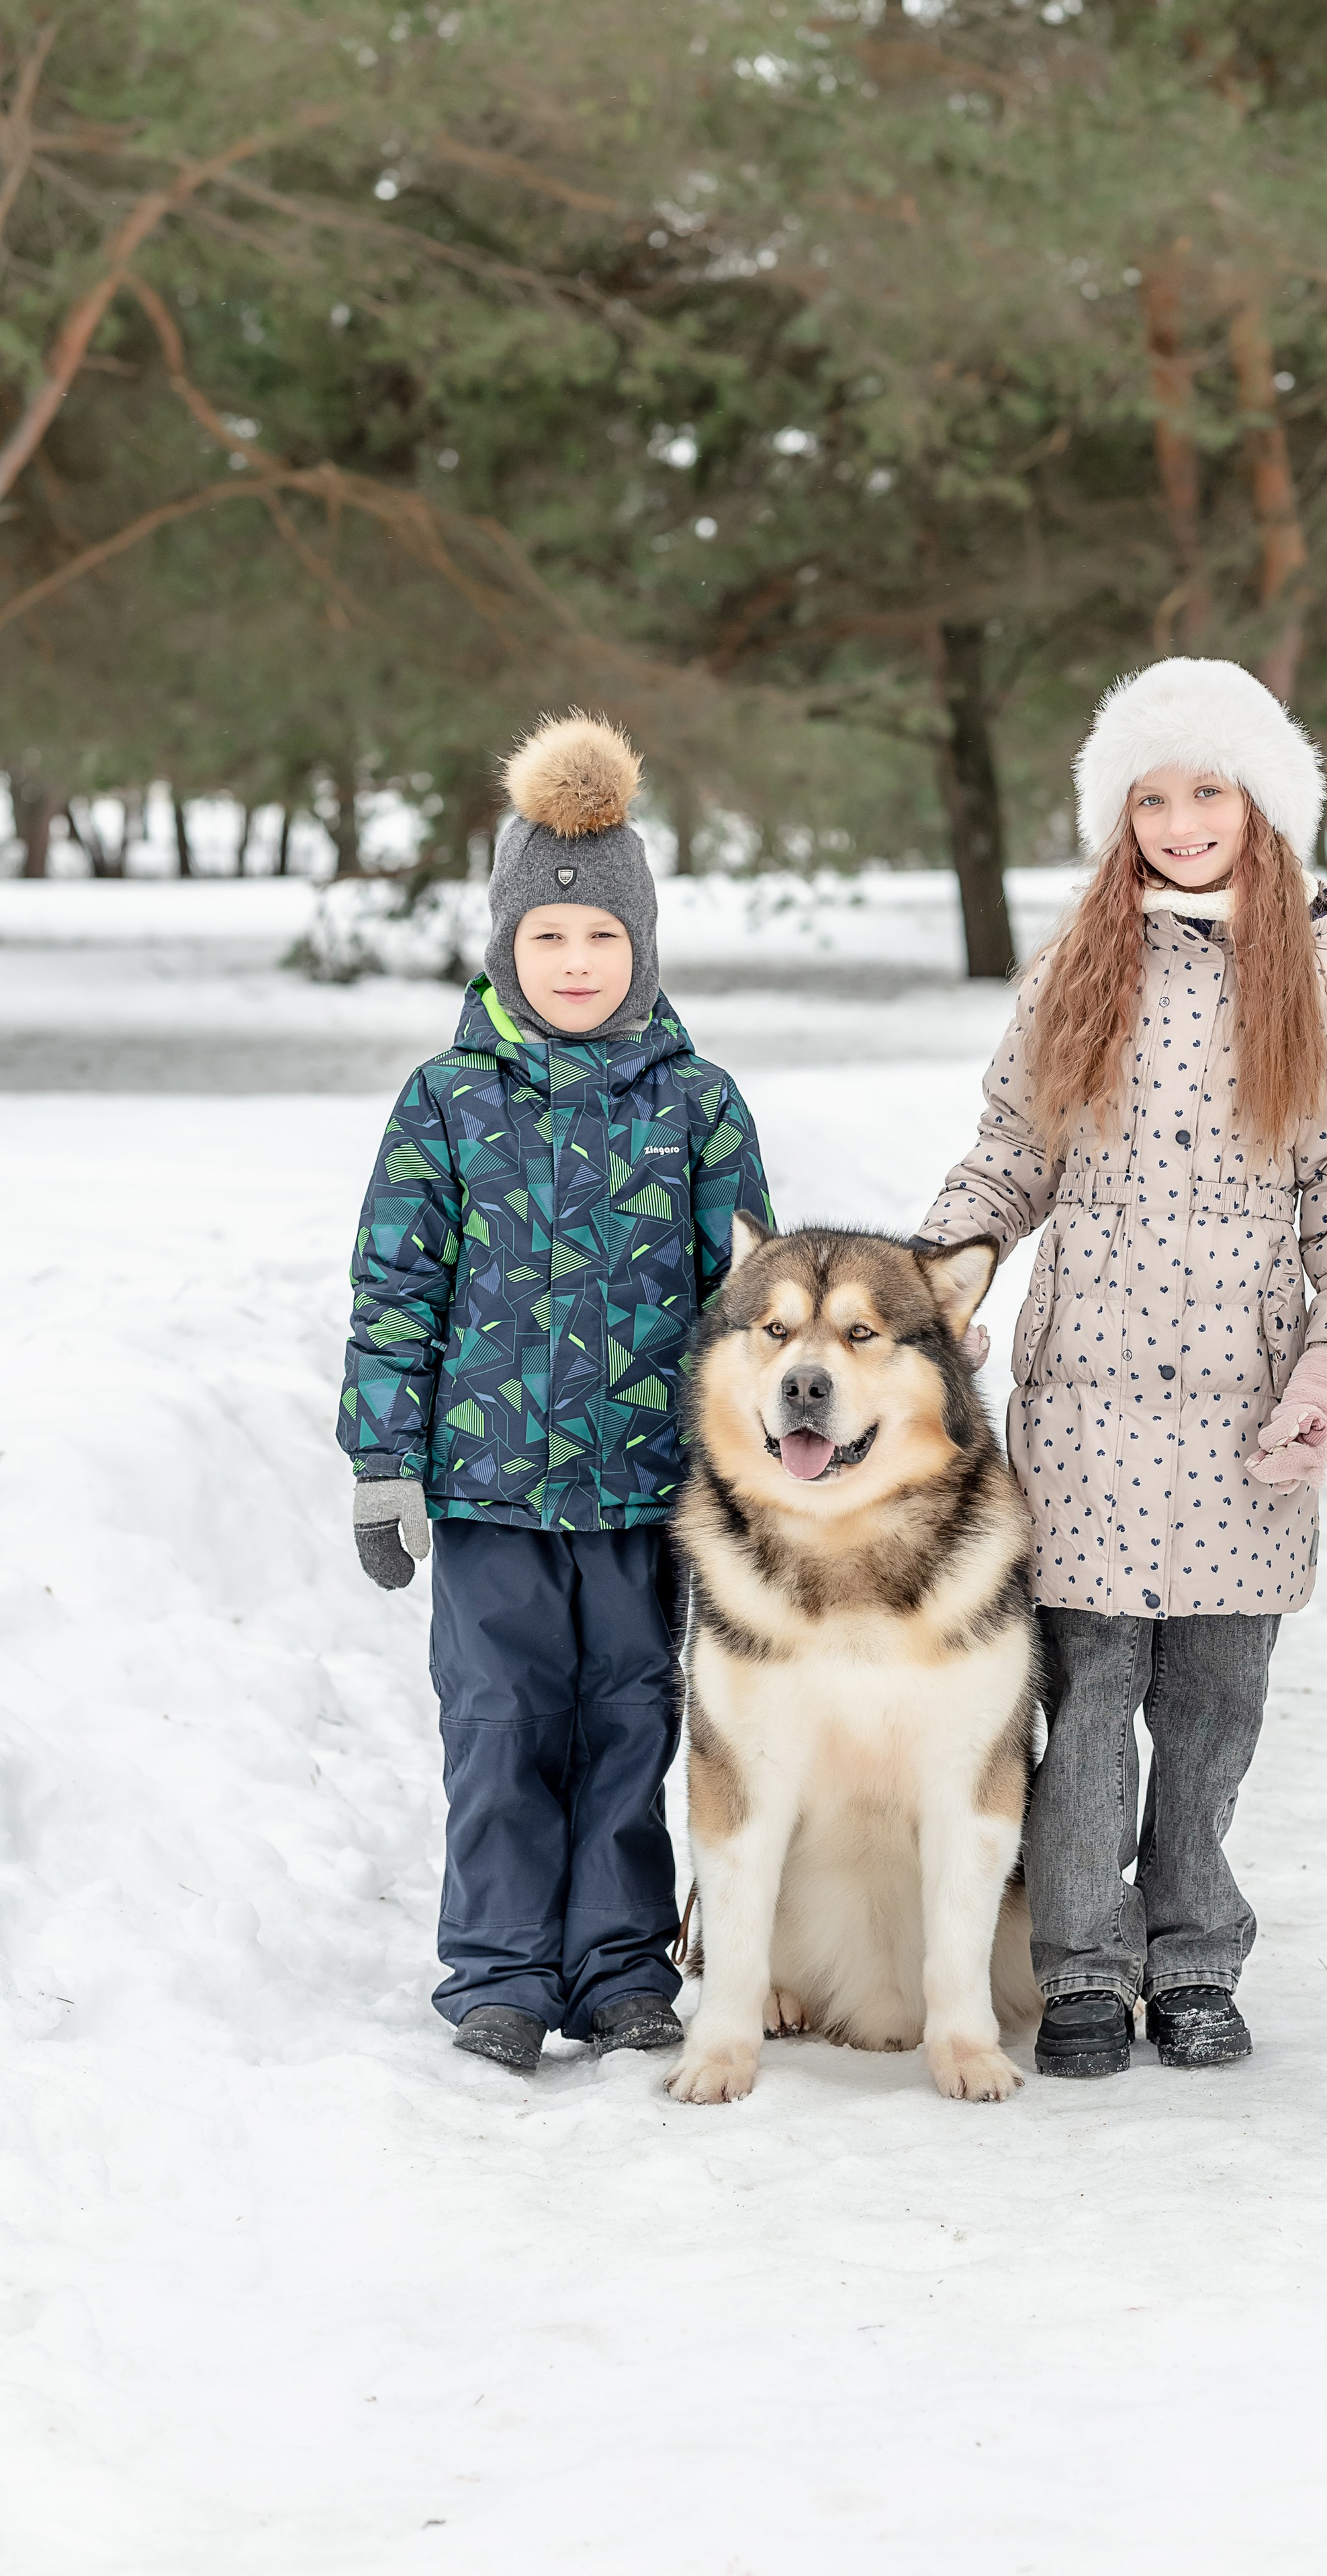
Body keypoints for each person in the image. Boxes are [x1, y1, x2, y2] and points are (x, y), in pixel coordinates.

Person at [915, 658, 1327, 2080]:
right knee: (1082, 1713)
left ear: (1263, 804)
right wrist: (946, 1271)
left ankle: (1192, 1953)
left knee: (1208, 1712)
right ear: (1115, 814)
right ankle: (1080, 1966)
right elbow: (1010, 1147)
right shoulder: (1076, 972)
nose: (1181, 819)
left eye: (1208, 790)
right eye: (1152, 795)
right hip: (1082, 1414)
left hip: (1243, 1424)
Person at [338, 711, 772, 2075]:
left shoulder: (698, 1104)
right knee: (500, 1725)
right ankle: (502, 1972)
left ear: (641, 949)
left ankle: (620, 1964)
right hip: (488, 1493)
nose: (575, 962)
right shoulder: (448, 1102)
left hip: (646, 1490)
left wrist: (760, 1478)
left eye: (601, 941)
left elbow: (748, 1306)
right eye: (548, 940)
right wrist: (382, 1458)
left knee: (630, 1721)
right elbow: (394, 1288)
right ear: (504, 948)